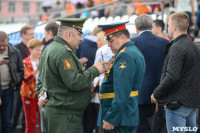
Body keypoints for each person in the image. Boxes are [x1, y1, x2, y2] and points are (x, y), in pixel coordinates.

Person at [36, 18, 106, 133]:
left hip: (58, 113)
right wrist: (94, 70)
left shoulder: (49, 49)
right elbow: (74, 82)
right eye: (79, 34)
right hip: (64, 116)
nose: (81, 39)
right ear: (69, 34)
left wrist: (41, 94)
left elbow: (41, 80)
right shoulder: (63, 52)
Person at [151, 12, 200, 133]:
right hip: (191, 105)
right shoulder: (194, 47)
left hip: (178, 105)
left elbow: (172, 76)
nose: (167, 28)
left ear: (173, 27)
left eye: (168, 25)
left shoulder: (177, 47)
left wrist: (156, 94)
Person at [97, 21, 146, 133]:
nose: (108, 45)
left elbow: (122, 92)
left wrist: (112, 118)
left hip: (118, 118)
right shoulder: (130, 52)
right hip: (123, 115)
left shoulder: (125, 56)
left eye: (111, 40)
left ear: (123, 37)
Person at [131, 14, 169, 133]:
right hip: (160, 92)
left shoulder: (132, 42)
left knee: (140, 128)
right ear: (151, 25)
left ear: (137, 27)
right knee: (158, 127)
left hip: (139, 94)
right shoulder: (164, 42)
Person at [76, 26, 101, 133]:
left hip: (82, 83)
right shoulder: (102, 48)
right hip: (96, 84)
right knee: (94, 116)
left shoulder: (82, 44)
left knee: (83, 117)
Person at [0, 31, 24, 133]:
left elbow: (21, 70)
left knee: (7, 121)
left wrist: (15, 83)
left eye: (4, 45)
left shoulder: (14, 51)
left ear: (8, 42)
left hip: (9, 90)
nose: (2, 47)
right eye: (0, 45)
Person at [12, 25, 34, 133]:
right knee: (15, 113)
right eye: (30, 34)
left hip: (31, 88)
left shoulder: (34, 48)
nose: (33, 36)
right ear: (23, 35)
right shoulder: (16, 48)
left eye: (33, 34)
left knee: (27, 117)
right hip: (19, 86)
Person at [20, 39, 43, 133]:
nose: (40, 52)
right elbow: (26, 80)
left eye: (41, 50)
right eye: (37, 50)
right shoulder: (25, 62)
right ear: (30, 49)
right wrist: (37, 70)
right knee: (31, 121)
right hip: (29, 95)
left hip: (42, 94)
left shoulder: (43, 60)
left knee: (43, 121)